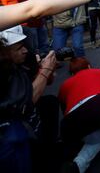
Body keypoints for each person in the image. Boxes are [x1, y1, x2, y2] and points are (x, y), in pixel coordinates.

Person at [0, 25, 60, 172]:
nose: (25, 50)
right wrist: (45, 71)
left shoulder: (24, 61)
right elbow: (25, 103)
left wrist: (40, 68)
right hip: (16, 136)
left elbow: (48, 81)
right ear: (4, 52)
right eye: (18, 48)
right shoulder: (4, 74)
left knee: (50, 102)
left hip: (31, 127)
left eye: (24, 46)